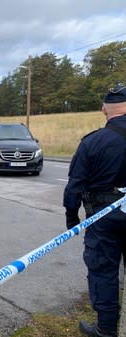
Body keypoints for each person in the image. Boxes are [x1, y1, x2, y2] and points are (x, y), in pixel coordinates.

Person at [64, 85, 126, 337]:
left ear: (104, 110)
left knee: (103, 269)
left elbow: (74, 187)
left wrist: (72, 218)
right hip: (105, 214)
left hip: (104, 218)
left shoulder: (93, 142)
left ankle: (106, 330)